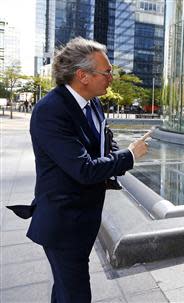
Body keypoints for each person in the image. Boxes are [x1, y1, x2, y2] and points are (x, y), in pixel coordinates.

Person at [8, 37, 149, 302]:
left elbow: (105, 140)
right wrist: (129, 155)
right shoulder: (51, 110)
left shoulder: (93, 102)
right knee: (76, 294)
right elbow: (83, 169)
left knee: (65, 290)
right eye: (106, 72)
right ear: (82, 75)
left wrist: (113, 154)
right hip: (63, 224)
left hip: (83, 218)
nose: (111, 77)